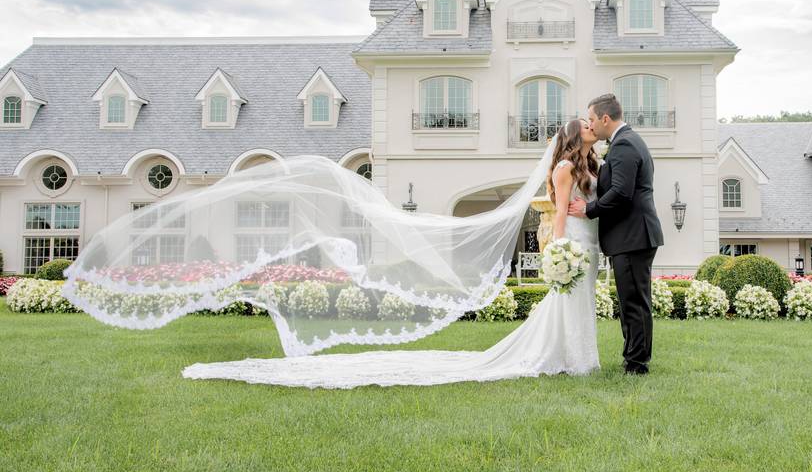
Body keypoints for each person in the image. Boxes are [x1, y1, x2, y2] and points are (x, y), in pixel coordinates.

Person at [177, 118, 603, 388]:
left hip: (588, 241)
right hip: (574, 243)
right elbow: (561, 215)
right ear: (572, 136)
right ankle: (565, 358)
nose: (590, 127)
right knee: (567, 301)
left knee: (573, 303)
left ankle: (575, 357)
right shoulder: (565, 169)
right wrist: (559, 248)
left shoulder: (589, 164)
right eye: (584, 125)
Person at [568, 93, 664, 375]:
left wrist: (589, 209)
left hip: (633, 236)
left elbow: (621, 193)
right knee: (631, 300)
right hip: (632, 235)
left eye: (593, 119)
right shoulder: (627, 142)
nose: (592, 125)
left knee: (634, 302)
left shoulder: (623, 145)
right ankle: (632, 356)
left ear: (605, 118)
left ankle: (637, 364)